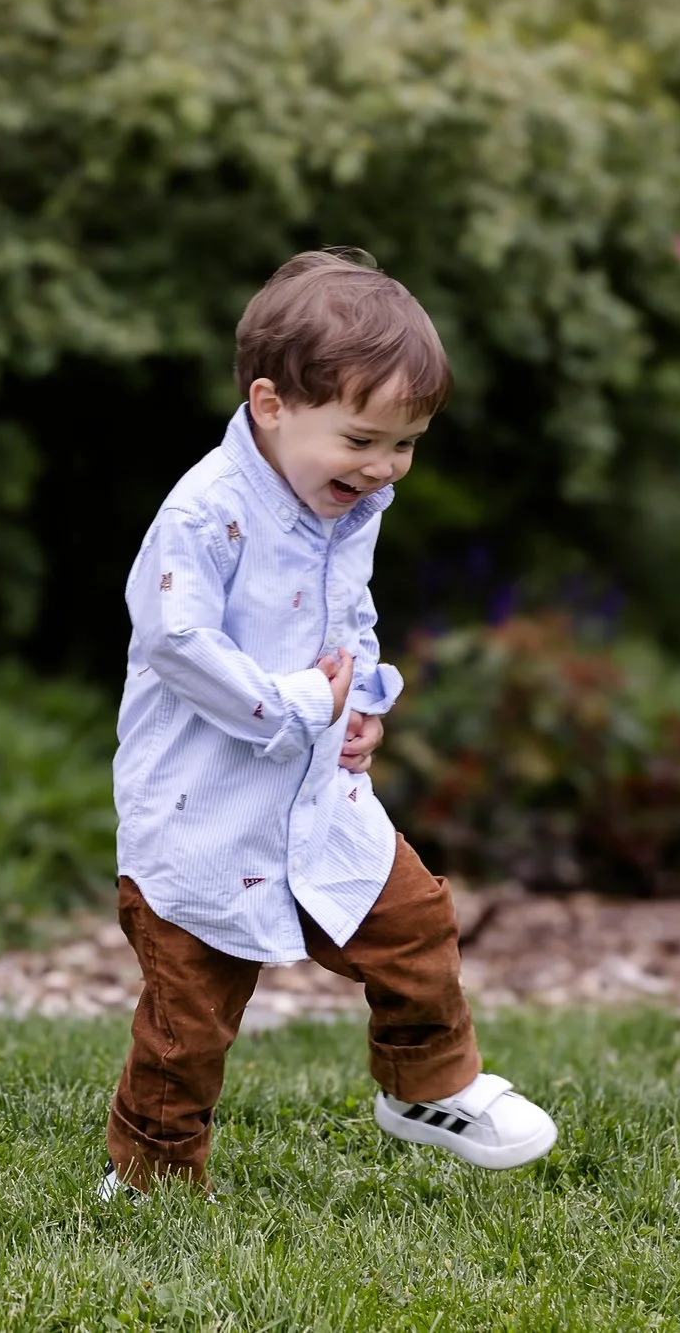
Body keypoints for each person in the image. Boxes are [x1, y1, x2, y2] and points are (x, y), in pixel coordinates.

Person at [100, 249, 558, 1200]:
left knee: (416, 921)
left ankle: (428, 1086)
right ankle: (151, 1178)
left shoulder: (351, 502)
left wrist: (363, 707)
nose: (385, 467)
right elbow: (180, 646)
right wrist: (305, 702)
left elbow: (348, 617)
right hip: (205, 815)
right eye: (363, 439)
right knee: (190, 1017)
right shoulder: (205, 515)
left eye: (406, 443)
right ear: (271, 405)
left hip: (318, 798)